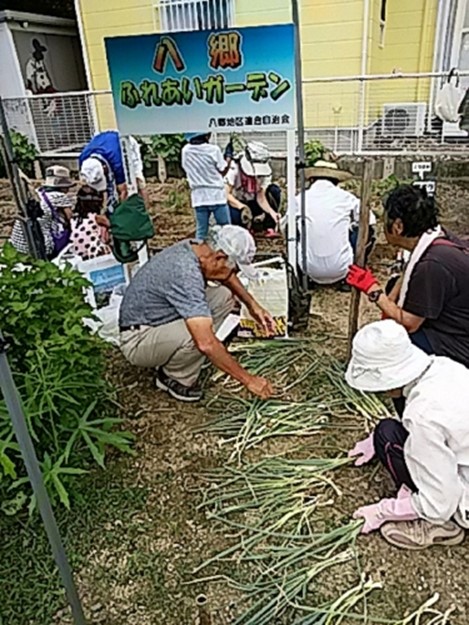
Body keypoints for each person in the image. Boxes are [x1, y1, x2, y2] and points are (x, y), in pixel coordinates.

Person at [346, 319, 469, 550]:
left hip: (462, 498)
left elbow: (440, 501)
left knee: (389, 440)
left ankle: (442, 524)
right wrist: (373, 440)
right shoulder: (443, 366)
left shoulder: (423, 417)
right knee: (385, 432)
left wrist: (383, 510)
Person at [119, 225, 275, 403]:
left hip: (158, 319)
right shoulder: (186, 274)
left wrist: (252, 305)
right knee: (199, 335)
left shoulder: (198, 248)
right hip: (137, 339)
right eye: (234, 269)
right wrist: (249, 380)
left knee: (223, 296)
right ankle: (173, 377)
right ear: (219, 257)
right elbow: (206, 343)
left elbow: (226, 275)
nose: (233, 275)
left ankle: (180, 357)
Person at [346, 184, 469, 369]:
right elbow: (405, 278)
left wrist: (373, 290)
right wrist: (386, 297)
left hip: (461, 344)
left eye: (385, 221)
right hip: (457, 324)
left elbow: (410, 324)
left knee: (393, 348)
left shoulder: (431, 264)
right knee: (393, 285)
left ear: (398, 226)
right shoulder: (437, 238)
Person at [288, 160, 375, 287]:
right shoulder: (346, 198)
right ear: (336, 181)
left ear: (311, 180)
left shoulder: (300, 199)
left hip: (308, 268)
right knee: (364, 229)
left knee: (293, 228)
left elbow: (284, 226)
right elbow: (370, 220)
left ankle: (300, 277)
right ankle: (353, 275)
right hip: (342, 268)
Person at [10, 165, 74, 259]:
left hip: (19, 244)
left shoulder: (38, 192)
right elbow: (71, 218)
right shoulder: (59, 197)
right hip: (40, 245)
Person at [181, 132, 232, 240]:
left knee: (201, 230)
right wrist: (228, 157)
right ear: (206, 136)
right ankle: (225, 249)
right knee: (225, 229)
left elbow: (185, 168)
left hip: (198, 196)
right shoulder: (213, 150)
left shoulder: (186, 151)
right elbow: (223, 170)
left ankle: (199, 249)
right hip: (216, 195)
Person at [79, 131, 146, 213]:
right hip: (103, 142)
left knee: (137, 182)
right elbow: (84, 184)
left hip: (125, 144)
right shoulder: (84, 160)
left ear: (104, 168)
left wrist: (121, 214)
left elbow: (123, 190)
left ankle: (145, 212)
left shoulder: (119, 163)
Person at [225, 142, 281, 237]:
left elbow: (261, 197)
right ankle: (244, 227)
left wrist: (272, 212)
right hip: (236, 203)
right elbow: (226, 194)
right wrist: (242, 207)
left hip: (253, 202)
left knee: (274, 190)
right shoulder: (234, 168)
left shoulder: (264, 176)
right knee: (234, 217)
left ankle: (268, 225)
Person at [70, 186, 111, 261]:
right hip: (94, 253)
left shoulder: (74, 219)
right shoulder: (97, 218)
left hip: (78, 253)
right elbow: (114, 225)